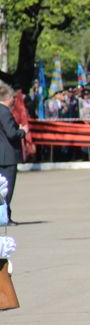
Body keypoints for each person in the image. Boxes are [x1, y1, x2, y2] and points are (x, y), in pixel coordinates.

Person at [0, 82, 26, 222]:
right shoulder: (5, 112)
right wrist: (22, 131)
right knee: (7, 189)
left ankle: (5, 215)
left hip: (2, 154)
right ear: (8, 97)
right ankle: (4, 217)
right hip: (8, 156)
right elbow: (11, 133)